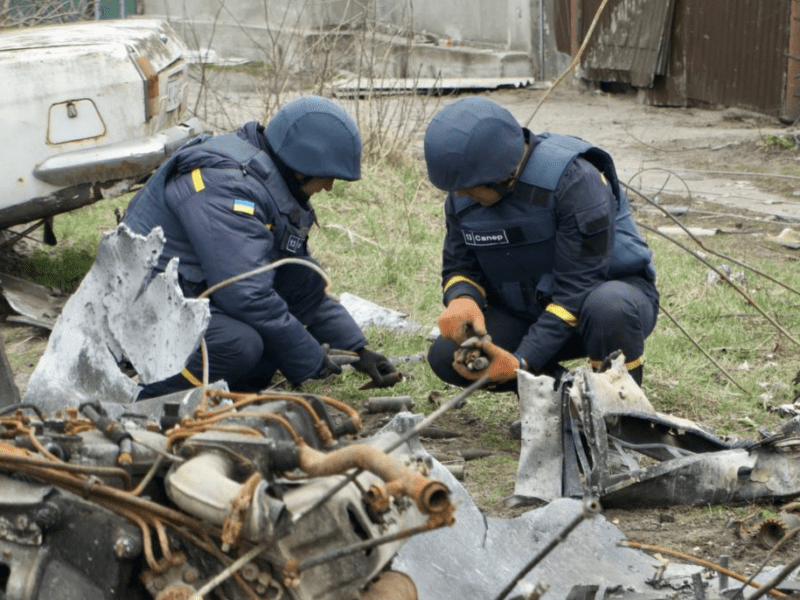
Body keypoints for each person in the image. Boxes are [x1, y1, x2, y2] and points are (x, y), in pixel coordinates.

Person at [124, 96, 398, 399]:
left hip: (187, 290)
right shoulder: (226, 187)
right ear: (301, 166)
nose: (329, 187)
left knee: (302, 277)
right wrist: (311, 359)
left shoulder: (263, 177)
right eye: (327, 176)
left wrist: (358, 351)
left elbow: (294, 281)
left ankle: (227, 393)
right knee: (239, 344)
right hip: (144, 306)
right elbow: (246, 294)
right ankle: (143, 396)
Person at [424, 97, 659, 391]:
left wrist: (522, 361)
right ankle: (558, 395)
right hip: (529, 311)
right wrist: (462, 298)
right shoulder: (467, 188)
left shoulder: (574, 181)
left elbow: (577, 289)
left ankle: (617, 403)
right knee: (447, 357)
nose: (461, 195)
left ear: (502, 175)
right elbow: (460, 265)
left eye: (469, 189)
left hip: (600, 307)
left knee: (608, 307)